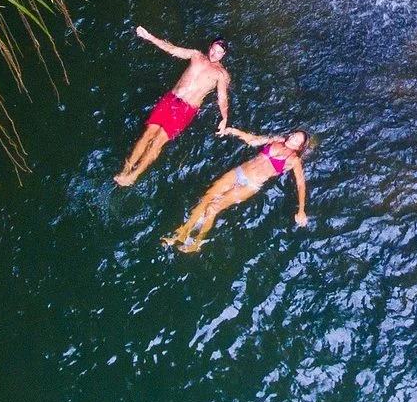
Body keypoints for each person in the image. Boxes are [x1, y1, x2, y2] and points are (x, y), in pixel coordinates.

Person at [162, 126, 312, 253]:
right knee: (207, 197)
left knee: (213, 208)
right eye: (293, 135)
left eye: (296, 140)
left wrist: (301, 210)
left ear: (299, 147)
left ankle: (196, 243)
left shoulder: (294, 161)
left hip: (250, 185)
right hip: (238, 172)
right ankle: (181, 232)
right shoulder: (277, 140)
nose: (292, 138)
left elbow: (300, 184)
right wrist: (232, 131)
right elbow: (253, 140)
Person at [113, 26, 231, 186]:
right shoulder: (195, 55)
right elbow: (172, 49)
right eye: (213, 50)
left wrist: (224, 118)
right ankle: (125, 169)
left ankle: (134, 175)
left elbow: (222, 97)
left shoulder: (221, 74)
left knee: (157, 141)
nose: (214, 54)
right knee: (148, 134)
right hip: (170, 99)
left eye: (218, 53)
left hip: (186, 109)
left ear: (223, 55)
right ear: (210, 47)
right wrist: (149, 37)